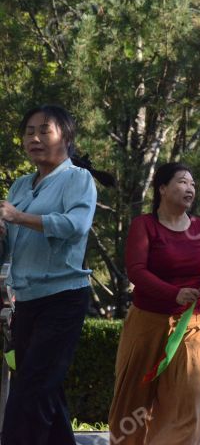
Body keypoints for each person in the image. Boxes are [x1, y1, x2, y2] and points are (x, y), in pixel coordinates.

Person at [108, 162, 200, 445]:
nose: (190, 188)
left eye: (193, 184)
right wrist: (172, 293)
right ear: (162, 188)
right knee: (133, 403)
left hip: (192, 326)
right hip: (147, 323)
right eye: (182, 182)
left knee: (186, 404)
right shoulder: (144, 225)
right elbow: (136, 271)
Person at [0, 105, 101, 445]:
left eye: (45, 130)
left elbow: (76, 226)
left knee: (31, 391)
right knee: (46, 393)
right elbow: (10, 249)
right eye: (29, 131)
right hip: (26, 303)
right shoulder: (20, 186)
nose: (35, 138)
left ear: (66, 138)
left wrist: (18, 217)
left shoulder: (78, 179)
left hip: (63, 298)